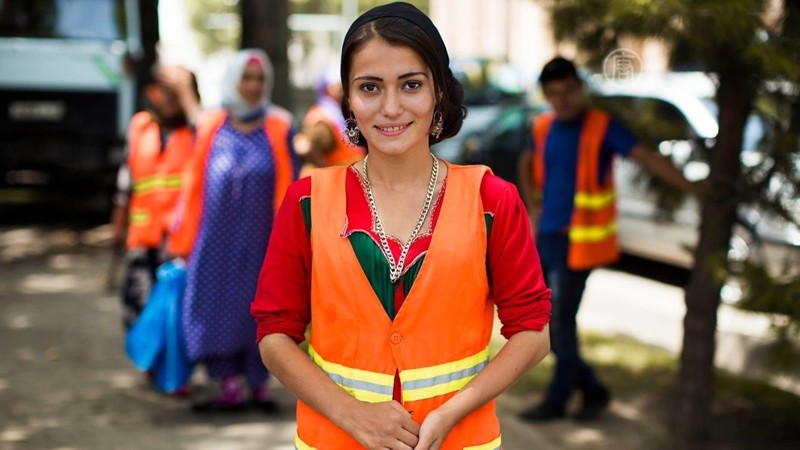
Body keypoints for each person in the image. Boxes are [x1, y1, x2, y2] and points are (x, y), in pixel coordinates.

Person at [251, 3, 551, 449]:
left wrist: (451, 411)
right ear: (348, 100)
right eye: (369, 87)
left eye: (411, 84)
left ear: (439, 93)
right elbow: (275, 333)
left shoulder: (492, 200)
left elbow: (533, 332)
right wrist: (352, 415)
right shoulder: (307, 201)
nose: (391, 107)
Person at [516, 56, 698, 422]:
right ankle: (594, 391)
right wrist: (531, 206)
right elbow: (526, 161)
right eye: (554, 93)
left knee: (560, 324)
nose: (563, 100)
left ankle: (558, 400)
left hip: (580, 244)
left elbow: (647, 156)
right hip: (548, 238)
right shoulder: (544, 127)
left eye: (569, 91)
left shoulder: (601, 128)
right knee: (551, 324)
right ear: (547, 95)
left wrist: (695, 189)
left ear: (579, 88)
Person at [167, 49, 298, 412]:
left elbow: (293, 183)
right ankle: (226, 382)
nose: (254, 86)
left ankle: (258, 382)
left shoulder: (280, 126)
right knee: (213, 306)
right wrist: (180, 234)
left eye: (260, 79)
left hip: (263, 241)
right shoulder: (211, 126)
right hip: (214, 242)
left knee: (260, 308)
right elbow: (192, 182)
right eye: (247, 78)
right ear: (233, 80)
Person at [110, 64, 199, 329]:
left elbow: (206, 129)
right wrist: (118, 225)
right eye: (165, 91)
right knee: (137, 312)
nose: (170, 99)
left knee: (174, 321)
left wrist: (186, 90)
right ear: (153, 93)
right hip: (142, 239)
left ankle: (166, 370)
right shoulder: (141, 126)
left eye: (177, 93)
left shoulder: (199, 132)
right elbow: (126, 182)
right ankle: (150, 369)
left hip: (180, 245)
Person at [294, 64, 365, 177]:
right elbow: (307, 146)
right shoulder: (321, 115)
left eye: (342, 85)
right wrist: (327, 171)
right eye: (336, 85)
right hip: (335, 178)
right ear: (326, 88)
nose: (340, 89)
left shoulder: (342, 112)